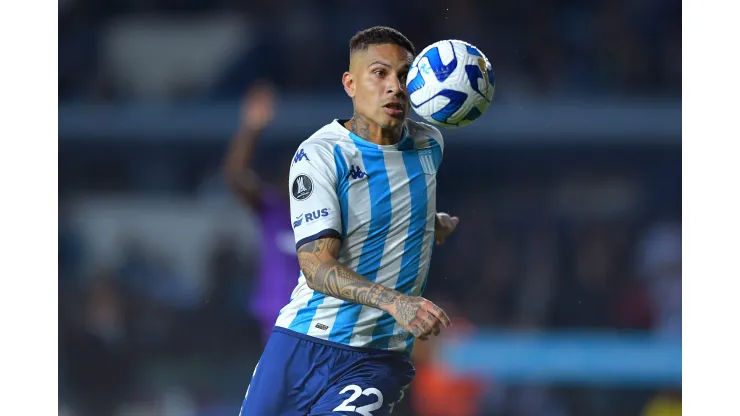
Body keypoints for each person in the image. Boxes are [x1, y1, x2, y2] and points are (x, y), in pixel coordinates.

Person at [238, 26, 460, 416]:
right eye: (380, 73)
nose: (395, 86)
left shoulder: (429, 145)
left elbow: (396, 200)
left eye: (405, 75)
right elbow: (316, 266)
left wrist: (429, 223)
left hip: (376, 358)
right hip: (301, 343)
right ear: (351, 84)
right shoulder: (321, 156)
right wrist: (396, 302)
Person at [223, 82, 300, 344]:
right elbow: (236, 176)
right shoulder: (272, 208)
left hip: (319, 323)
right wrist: (250, 129)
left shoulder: (331, 216)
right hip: (276, 319)